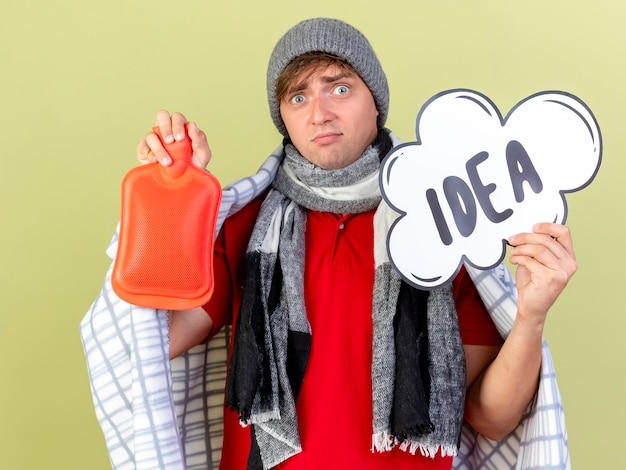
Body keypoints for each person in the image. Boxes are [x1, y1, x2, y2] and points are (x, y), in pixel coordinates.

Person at [135, 18, 577, 470]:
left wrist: (531, 316)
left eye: (339, 88)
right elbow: (148, 343)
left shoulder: (443, 223)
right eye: (298, 96)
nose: (319, 113)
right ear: (284, 117)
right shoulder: (245, 226)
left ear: (376, 101)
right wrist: (175, 199)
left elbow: (491, 418)